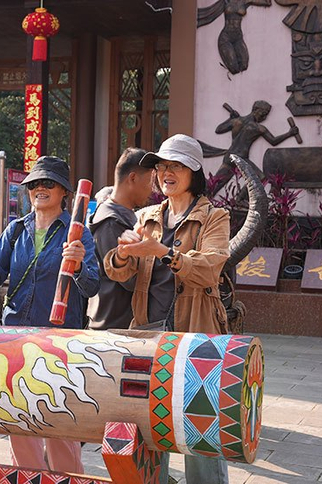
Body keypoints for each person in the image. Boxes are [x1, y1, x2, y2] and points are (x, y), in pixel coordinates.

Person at [0, 155, 99, 474]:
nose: (39, 189)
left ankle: (66, 480)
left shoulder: (77, 234)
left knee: (59, 424)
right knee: (19, 422)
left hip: (59, 343)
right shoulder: (16, 229)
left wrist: (77, 267)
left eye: (48, 183)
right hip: (15, 341)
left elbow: (92, 286)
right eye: (34, 184)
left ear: (64, 191)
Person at [104, 134, 230, 484]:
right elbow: (119, 272)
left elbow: (209, 269)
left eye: (175, 166)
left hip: (196, 337)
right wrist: (123, 253)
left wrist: (163, 252)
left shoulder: (214, 217)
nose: (165, 173)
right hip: (149, 334)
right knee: (152, 426)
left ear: (194, 171)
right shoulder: (146, 216)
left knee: (199, 427)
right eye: (161, 167)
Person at [87, 148, 154, 330]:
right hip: (111, 328)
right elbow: (128, 280)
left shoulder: (124, 214)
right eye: (150, 181)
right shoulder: (110, 222)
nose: (152, 189)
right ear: (133, 178)